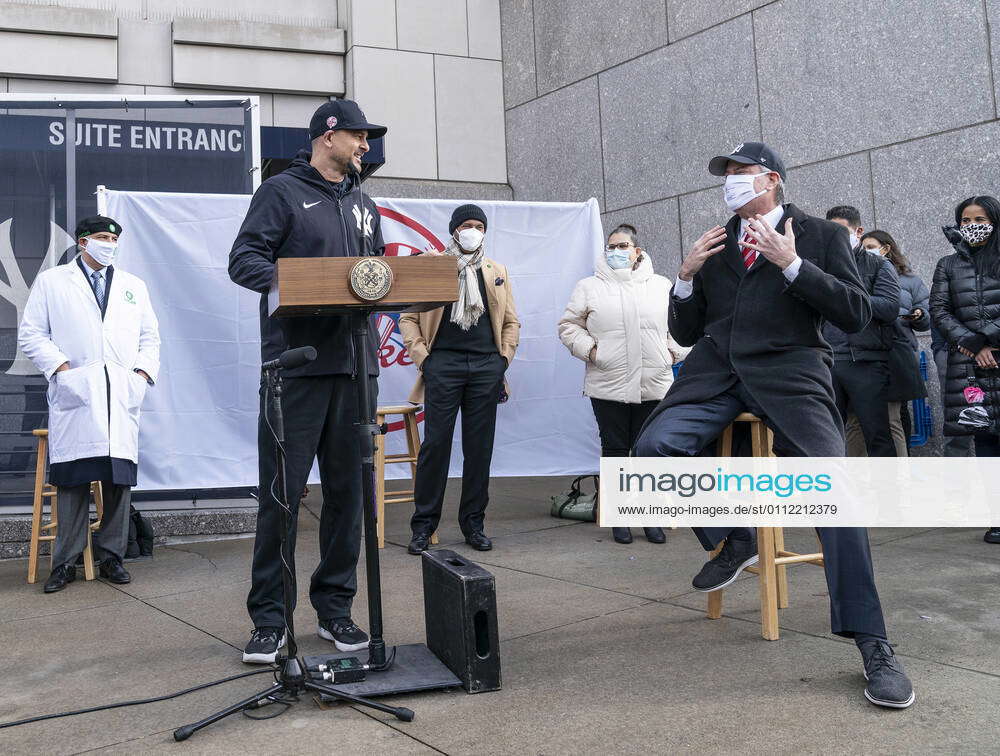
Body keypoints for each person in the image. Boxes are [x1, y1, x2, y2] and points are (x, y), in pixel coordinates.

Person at [633, 142, 915, 708]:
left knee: (830, 490)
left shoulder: (821, 237)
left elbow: (855, 314)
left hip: (792, 373)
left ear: (774, 181)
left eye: (743, 173)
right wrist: (685, 279)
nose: (732, 182)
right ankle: (734, 538)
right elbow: (687, 332)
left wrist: (793, 266)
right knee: (649, 455)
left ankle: (873, 642)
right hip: (715, 373)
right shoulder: (716, 244)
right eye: (726, 175)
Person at [229, 99, 388, 663]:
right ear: (328, 135)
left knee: (349, 499)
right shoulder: (280, 192)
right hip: (295, 371)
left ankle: (335, 610)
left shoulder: (366, 205)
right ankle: (270, 620)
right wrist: (299, 282)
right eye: (358, 136)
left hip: (355, 371)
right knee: (282, 497)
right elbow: (244, 260)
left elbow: (379, 278)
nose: (365, 146)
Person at [18, 216, 160, 592]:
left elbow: (151, 338)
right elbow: (31, 333)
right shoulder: (53, 282)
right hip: (77, 393)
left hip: (120, 394)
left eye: (114, 238)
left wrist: (141, 376)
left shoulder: (133, 286)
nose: (109, 243)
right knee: (73, 483)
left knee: (117, 482)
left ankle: (112, 557)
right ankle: (64, 563)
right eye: (101, 237)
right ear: (83, 242)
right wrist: (62, 369)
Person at [399, 204, 519, 555]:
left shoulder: (496, 270)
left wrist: (503, 360)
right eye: (466, 225)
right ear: (453, 230)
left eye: (479, 225)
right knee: (435, 447)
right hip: (444, 366)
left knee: (479, 450)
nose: (472, 230)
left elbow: (511, 321)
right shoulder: (435, 266)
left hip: (486, 367)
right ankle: (423, 526)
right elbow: (408, 317)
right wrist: (424, 358)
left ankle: (474, 524)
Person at [557, 223, 688, 544]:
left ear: (637, 251)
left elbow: (682, 325)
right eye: (611, 247)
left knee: (650, 452)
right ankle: (620, 517)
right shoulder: (589, 286)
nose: (616, 252)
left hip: (654, 382)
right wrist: (593, 350)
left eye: (623, 246)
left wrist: (671, 352)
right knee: (616, 450)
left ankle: (651, 517)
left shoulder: (660, 285)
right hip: (608, 382)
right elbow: (568, 326)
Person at [930, 195, 1000, 545]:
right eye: (966, 219)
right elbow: (939, 311)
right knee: (985, 441)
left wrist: (987, 338)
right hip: (971, 366)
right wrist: (973, 344)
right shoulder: (947, 264)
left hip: (992, 354)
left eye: (981, 218)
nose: (973, 225)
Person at [821, 210, 901, 458]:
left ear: (858, 232)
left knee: (877, 434)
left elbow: (889, 307)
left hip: (866, 361)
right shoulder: (819, 266)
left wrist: (848, 296)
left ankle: (886, 494)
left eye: (841, 232)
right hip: (827, 361)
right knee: (827, 435)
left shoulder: (878, 264)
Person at [861, 230, 931, 453]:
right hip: (869, 351)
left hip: (899, 351)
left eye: (870, 246)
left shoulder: (910, 281)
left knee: (897, 414)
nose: (866, 251)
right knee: (862, 418)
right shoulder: (860, 276)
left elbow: (927, 314)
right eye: (863, 247)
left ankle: (902, 468)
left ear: (886, 248)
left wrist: (919, 314)